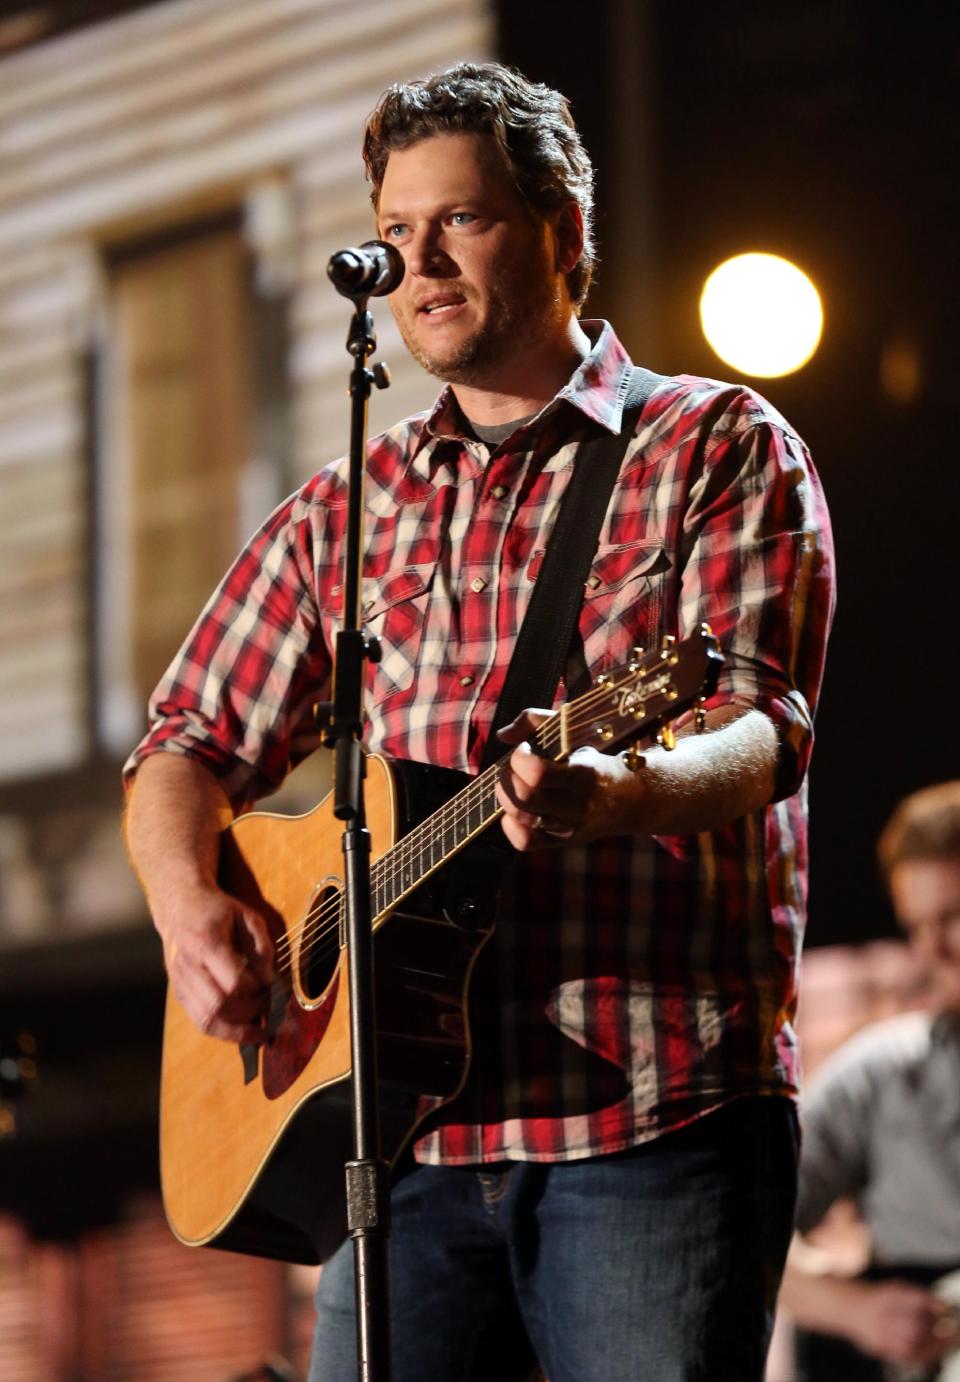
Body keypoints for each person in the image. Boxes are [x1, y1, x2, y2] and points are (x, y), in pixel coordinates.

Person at [123, 62, 835, 1382]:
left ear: (564, 231)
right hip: (396, 1151)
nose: (420, 263)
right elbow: (183, 740)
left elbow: (759, 726)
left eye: (463, 221)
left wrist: (620, 789)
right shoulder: (350, 504)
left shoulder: (714, 443)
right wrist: (186, 904)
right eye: (397, 233)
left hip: (650, 1113)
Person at [779, 781, 960, 1381]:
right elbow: (753, 1233)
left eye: (954, 917)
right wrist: (857, 1311)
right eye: (917, 924)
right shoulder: (881, 1071)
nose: (933, 949)